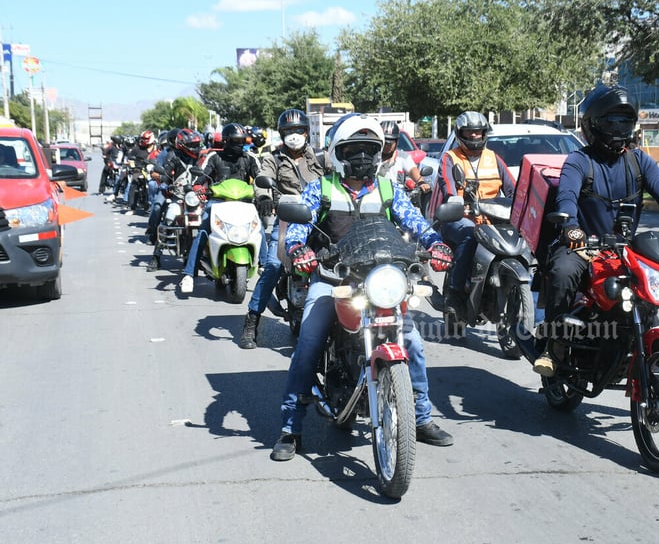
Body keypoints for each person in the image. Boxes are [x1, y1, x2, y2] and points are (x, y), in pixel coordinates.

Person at [269, 114, 455, 461]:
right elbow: (297, 227)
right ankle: (290, 427)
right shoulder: (321, 188)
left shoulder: (388, 189)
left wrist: (436, 243)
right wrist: (298, 249)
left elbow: (416, 222)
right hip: (333, 279)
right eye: (353, 149)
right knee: (308, 342)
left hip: (382, 281)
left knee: (412, 341)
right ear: (337, 153)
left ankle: (422, 417)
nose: (363, 158)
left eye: (370, 150)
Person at [532, 84, 659, 377]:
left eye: (624, 122)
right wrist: (570, 226)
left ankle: (654, 356)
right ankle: (554, 345)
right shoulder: (580, 161)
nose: (618, 128)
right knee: (562, 272)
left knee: (651, 286)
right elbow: (566, 197)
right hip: (583, 246)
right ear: (593, 125)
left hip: (623, 249)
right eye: (611, 122)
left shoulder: (639, 161)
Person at [238, 109, 325, 349]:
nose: (294, 135)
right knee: (274, 265)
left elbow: (338, 175)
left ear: (307, 132)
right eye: (288, 131)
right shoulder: (273, 158)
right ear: (281, 134)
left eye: (298, 130)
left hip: (321, 221)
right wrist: (264, 197)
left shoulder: (320, 157)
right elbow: (263, 179)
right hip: (289, 218)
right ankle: (252, 321)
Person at [429, 110, 516, 317]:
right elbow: (448, 187)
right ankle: (455, 293)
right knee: (469, 236)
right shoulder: (450, 158)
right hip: (460, 218)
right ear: (460, 134)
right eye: (469, 132)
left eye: (478, 132)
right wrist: (456, 202)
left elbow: (514, 190)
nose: (475, 136)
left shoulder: (494, 158)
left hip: (493, 221)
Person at [179, 123, 261, 295]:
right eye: (236, 140)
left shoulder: (250, 158)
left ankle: (264, 265)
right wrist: (198, 188)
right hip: (217, 202)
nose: (240, 144)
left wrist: (265, 195)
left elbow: (261, 178)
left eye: (242, 140)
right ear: (226, 141)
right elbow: (200, 178)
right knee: (203, 231)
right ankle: (189, 274)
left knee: (258, 229)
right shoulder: (214, 157)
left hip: (244, 203)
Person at [145, 129, 203, 272]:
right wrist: (161, 176)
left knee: (208, 224)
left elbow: (209, 172)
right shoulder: (173, 156)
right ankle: (156, 256)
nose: (196, 147)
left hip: (198, 198)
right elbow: (166, 172)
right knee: (168, 221)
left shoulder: (201, 158)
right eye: (192, 144)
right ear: (183, 144)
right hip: (178, 197)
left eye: (197, 144)